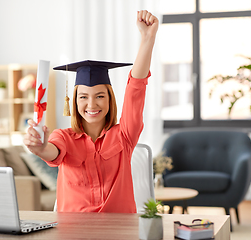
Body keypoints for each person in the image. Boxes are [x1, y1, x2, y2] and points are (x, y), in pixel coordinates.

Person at [24, 10, 158, 213]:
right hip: (74, 231)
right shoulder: (63, 137)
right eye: (83, 97)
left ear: (109, 99)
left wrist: (147, 39)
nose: (92, 104)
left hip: (118, 229)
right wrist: (40, 148)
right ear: (74, 101)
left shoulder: (124, 136)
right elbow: (52, 152)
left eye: (100, 96)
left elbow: (136, 89)